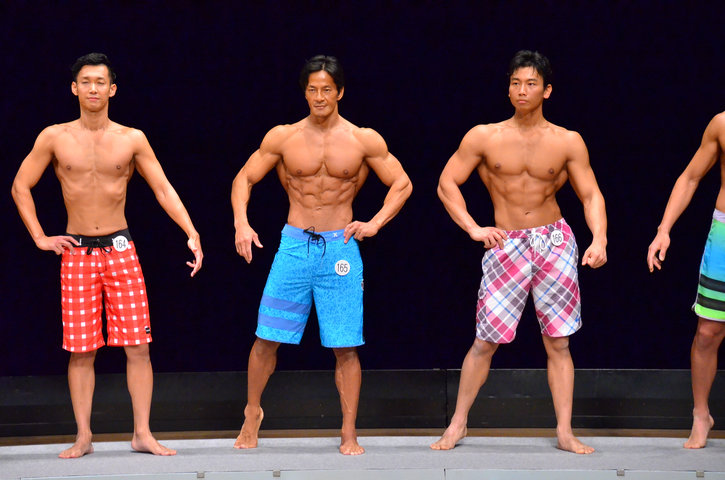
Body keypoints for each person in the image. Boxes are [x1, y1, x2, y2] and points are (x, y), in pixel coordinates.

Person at [11, 53, 203, 458]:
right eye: (86, 81)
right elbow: (20, 185)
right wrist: (39, 237)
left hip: (120, 249)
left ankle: (142, 433)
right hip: (77, 251)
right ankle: (84, 436)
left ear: (112, 89)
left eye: (101, 82)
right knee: (81, 350)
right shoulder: (55, 137)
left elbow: (163, 188)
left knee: (138, 346)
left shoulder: (132, 138)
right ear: (74, 88)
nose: (93, 88)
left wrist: (191, 231)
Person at [231, 55, 412, 455]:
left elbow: (402, 183)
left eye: (326, 89)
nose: (319, 97)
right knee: (266, 337)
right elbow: (244, 177)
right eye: (312, 89)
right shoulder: (284, 137)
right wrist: (241, 223)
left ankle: (348, 430)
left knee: (345, 346)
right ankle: (252, 412)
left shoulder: (363, 139)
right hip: (294, 246)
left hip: (340, 248)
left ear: (340, 92)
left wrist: (375, 223)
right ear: (305, 92)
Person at [432, 50, 607, 454]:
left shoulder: (567, 141)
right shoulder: (484, 137)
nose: (522, 90)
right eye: (515, 83)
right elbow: (446, 183)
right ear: (508, 88)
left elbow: (591, 194)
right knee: (485, 340)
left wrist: (599, 238)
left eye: (531, 84)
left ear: (547, 90)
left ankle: (564, 431)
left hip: (554, 242)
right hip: (506, 243)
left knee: (558, 342)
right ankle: (457, 424)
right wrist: (473, 227)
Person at [647, 112, 725, 449]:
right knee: (708, 332)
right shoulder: (722, 124)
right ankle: (701, 415)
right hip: (724, 238)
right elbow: (691, 177)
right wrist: (664, 230)